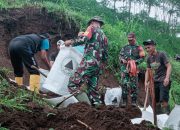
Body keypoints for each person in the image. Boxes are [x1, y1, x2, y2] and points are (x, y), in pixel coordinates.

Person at [64, 16, 108, 107]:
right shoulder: (104, 37)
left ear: (92, 22)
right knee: (93, 90)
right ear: (100, 24)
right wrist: (100, 66)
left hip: (89, 62)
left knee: (73, 83)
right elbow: (105, 55)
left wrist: (70, 42)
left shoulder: (91, 28)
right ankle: (98, 108)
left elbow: (83, 40)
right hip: (97, 66)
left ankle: (84, 106)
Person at [143, 39, 171, 113]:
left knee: (163, 100)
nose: (147, 50)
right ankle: (158, 119)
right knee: (155, 100)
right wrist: (146, 82)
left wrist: (167, 78)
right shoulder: (149, 58)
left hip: (163, 80)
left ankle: (166, 117)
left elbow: (169, 66)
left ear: (154, 46)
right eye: (146, 48)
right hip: (155, 81)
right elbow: (148, 70)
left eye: (149, 47)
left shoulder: (161, 54)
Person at [119, 32, 145, 107]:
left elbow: (143, 58)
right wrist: (122, 60)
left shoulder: (139, 47)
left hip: (134, 69)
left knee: (134, 85)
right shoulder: (125, 47)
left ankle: (134, 102)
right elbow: (120, 56)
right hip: (125, 69)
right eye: (129, 39)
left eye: (131, 39)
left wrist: (135, 62)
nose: (130, 41)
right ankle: (124, 101)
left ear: (134, 39)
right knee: (124, 84)